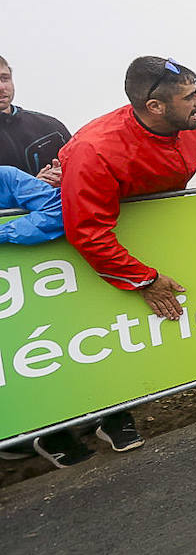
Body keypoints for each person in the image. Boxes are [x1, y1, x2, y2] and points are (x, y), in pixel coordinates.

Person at [61, 56, 196, 428]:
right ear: (155, 107)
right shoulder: (93, 149)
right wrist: (144, 279)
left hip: (174, 224)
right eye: (190, 96)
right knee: (168, 312)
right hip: (125, 238)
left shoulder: (190, 117)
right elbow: (87, 231)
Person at [0, 165, 94, 467]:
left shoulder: (6, 176)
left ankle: (54, 436)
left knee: (34, 357)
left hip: (25, 296)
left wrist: (3, 232)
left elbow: (58, 209)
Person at [0, 55, 70, 183]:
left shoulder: (51, 127)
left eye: (4, 78)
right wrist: (31, 187)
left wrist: (65, 175)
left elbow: (82, 170)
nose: (1, 88)